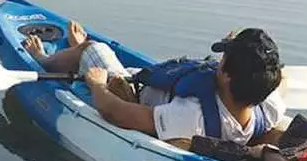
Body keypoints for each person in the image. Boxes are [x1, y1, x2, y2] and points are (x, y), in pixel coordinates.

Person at [23, 23, 287, 149]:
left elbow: (116, 113)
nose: (219, 61)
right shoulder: (270, 106)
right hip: (157, 85)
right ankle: (77, 51)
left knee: (94, 48)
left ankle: (48, 58)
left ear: (228, 76)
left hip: (130, 91)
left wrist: (96, 85)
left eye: (224, 58)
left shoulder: (192, 115)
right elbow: (279, 80)